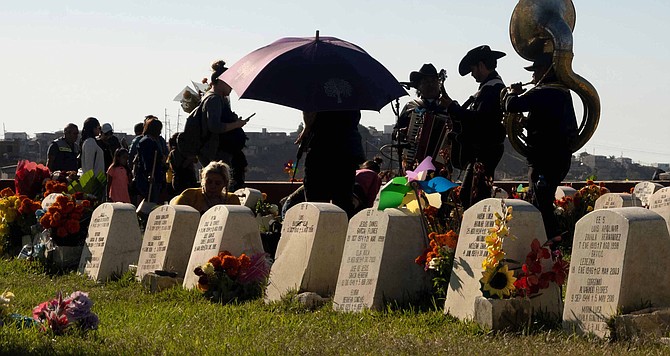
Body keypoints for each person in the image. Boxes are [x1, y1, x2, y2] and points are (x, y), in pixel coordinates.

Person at [503, 52, 578, 240]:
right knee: (543, 201)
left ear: (545, 71)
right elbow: (547, 125)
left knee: (541, 204)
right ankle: (549, 243)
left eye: (535, 71)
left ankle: (549, 244)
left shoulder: (544, 91)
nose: (533, 77)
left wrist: (512, 92)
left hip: (543, 159)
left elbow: (512, 105)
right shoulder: (563, 93)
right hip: (558, 157)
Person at [441, 45, 507, 209]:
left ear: (481, 66)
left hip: (486, 150)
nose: (472, 74)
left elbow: (481, 120)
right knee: (468, 195)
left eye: (473, 69)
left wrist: (453, 108)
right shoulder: (490, 88)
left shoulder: (492, 89)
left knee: (475, 197)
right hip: (481, 151)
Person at [297, 110, 365, 218]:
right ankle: (344, 231)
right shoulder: (352, 97)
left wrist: (307, 127)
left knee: (316, 204)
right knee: (343, 202)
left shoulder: (318, 96)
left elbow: (310, 111)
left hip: (321, 150)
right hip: (347, 151)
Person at [199, 60, 249, 191]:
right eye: (230, 84)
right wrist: (236, 124)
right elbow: (215, 126)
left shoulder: (217, 99)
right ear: (221, 81)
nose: (232, 88)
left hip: (223, 151)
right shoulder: (214, 99)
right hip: (218, 151)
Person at [393, 63, 449, 173]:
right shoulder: (411, 107)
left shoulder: (448, 107)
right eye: (426, 82)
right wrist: (401, 133)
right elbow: (396, 131)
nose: (431, 85)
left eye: (434, 81)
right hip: (414, 163)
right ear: (418, 86)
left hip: (442, 164)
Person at [171, 160, 240, 214]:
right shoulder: (189, 196)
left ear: (225, 183)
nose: (213, 186)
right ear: (202, 180)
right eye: (209, 182)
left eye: (217, 183)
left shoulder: (232, 200)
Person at [135, 117, 166, 204]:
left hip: (155, 175)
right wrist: (149, 174)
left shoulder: (152, 140)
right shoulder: (147, 141)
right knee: (150, 202)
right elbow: (147, 161)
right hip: (150, 177)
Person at [167, 132, 198, 196]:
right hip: (181, 180)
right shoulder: (175, 152)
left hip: (189, 179)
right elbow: (180, 168)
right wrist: (189, 159)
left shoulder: (187, 151)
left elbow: (195, 160)